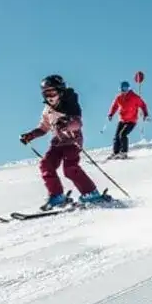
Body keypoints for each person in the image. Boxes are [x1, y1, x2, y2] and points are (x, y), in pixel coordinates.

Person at [19, 74, 108, 210]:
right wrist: (30, 135)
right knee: (46, 165)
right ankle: (57, 196)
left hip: (72, 140)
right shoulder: (47, 110)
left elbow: (77, 123)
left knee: (70, 169)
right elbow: (43, 127)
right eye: (46, 93)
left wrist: (67, 123)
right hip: (57, 142)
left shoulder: (70, 103)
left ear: (60, 91)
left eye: (52, 92)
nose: (50, 96)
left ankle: (90, 193)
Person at [107, 81, 149, 159]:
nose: (125, 90)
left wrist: (145, 114)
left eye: (126, 88)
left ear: (129, 88)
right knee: (116, 136)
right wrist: (111, 114)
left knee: (122, 134)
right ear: (120, 89)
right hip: (122, 120)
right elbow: (115, 106)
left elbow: (143, 105)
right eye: (123, 88)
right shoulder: (119, 98)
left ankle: (124, 152)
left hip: (131, 121)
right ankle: (116, 152)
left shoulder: (134, 97)